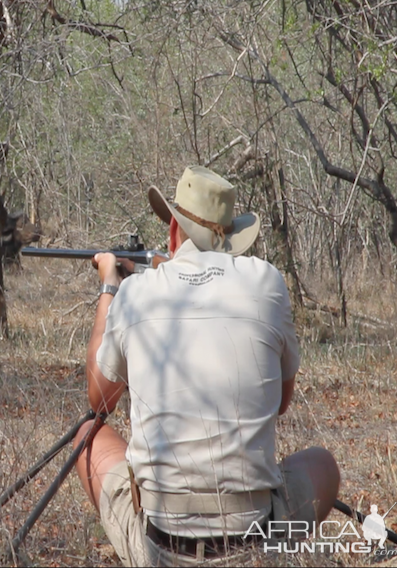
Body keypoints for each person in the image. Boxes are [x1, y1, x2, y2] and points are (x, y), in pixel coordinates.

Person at [74, 165, 340, 566]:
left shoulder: (135, 292)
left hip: (160, 548)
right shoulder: (267, 282)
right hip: (255, 542)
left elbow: (100, 400)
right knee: (322, 465)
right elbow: (281, 403)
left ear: (173, 232)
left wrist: (111, 286)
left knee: (87, 435)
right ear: (229, 237)